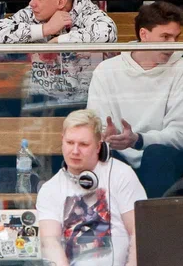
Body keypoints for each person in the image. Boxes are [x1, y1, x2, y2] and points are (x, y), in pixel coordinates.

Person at [86, 2, 183, 198]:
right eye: (165, 37)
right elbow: (94, 127)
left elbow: (180, 135)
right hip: (118, 154)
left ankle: (155, 226)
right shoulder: (106, 70)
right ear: (144, 35)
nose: (173, 44)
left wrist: (139, 140)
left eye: (176, 37)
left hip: (164, 159)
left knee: (157, 155)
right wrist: (105, 137)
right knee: (99, 157)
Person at [0, 0, 117, 112]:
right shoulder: (32, 13)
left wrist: (57, 42)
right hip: (39, 102)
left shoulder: (87, 13)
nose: (32, 3)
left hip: (84, 105)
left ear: (61, 2)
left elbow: (108, 32)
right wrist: (45, 29)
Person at [37, 109, 145, 266]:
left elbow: (139, 232)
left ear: (98, 146)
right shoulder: (49, 189)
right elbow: (50, 243)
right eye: (69, 143)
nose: (75, 151)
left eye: (83, 144)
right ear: (62, 140)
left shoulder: (121, 174)